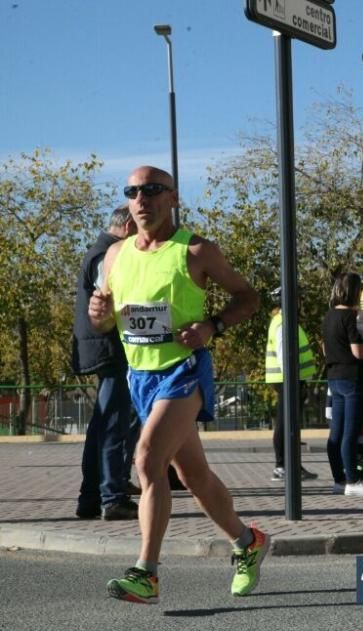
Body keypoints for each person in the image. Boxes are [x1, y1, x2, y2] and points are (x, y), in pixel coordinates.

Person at [89, 166, 266, 603]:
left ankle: (146, 573)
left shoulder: (197, 251)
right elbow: (107, 319)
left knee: (147, 460)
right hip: (140, 376)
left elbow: (249, 298)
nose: (141, 198)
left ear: (173, 198)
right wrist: (99, 314)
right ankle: (248, 542)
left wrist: (213, 326)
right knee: (193, 473)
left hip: (183, 370)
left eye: (151, 190)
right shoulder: (115, 255)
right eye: (132, 191)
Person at [72, 204, 141, 521]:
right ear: (128, 226)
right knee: (114, 425)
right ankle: (111, 497)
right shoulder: (108, 254)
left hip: (100, 348)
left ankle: (91, 498)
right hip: (111, 350)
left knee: (102, 425)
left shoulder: (98, 250)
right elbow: (115, 299)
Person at [323, 272, 363, 496]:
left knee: (336, 432)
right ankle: (353, 482)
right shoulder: (352, 317)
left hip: (334, 376)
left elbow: (325, 348)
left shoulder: (328, 317)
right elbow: (357, 351)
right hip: (354, 378)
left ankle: (339, 479)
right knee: (351, 432)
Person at [265, 288, 319, 482]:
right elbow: (283, 353)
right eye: (297, 298)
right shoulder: (283, 322)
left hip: (290, 379)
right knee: (284, 422)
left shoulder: (285, 320)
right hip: (286, 379)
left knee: (290, 423)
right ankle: (281, 466)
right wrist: (291, 379)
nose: (299, 303)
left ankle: (292, 465)